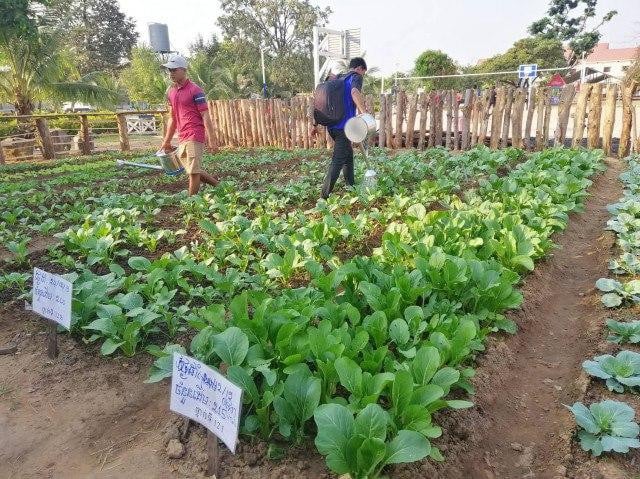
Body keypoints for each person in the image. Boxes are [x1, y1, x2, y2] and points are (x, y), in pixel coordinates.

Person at [160, 54, 220, 196]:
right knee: (192, 170)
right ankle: (219, 186)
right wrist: (166, 141)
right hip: (182, 135)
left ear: (184, 70)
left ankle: (191, 202)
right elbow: (172, 118)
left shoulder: (195, 90)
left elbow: (205, 114)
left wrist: (212, 140)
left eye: (174, 70)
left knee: (193, 172)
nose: (171, 73)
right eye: (169, 70)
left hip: (195, 133)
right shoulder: (171, 92)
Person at [319, 57, 368, 199]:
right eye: (363, 72)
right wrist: (364, 113)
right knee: (338, 160)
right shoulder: (356, 77)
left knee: (348, 156)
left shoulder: (339, 77)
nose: (362, 75)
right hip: (344, 128)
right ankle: (324, 196)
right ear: (360, 68)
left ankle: (351, 185)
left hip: (332, 126)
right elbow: (354, 92)